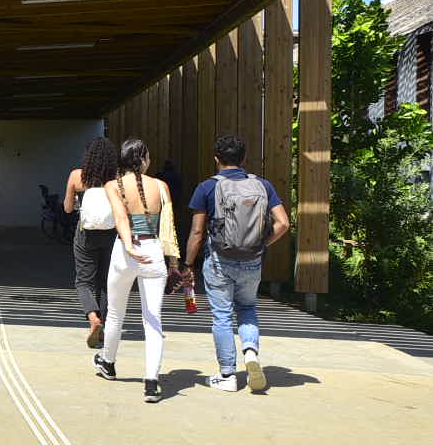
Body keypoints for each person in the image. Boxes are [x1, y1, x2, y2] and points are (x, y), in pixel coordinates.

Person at [183, 135, 291, 393]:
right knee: (247, 307)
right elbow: (284, 223)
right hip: (252, 260)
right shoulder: (263, 185)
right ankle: (250, 351)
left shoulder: (207, 187)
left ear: (217, 160)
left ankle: (228, 374)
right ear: (244, 159)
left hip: (220, 260)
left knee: (222, 316)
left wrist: (188, 265)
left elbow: (197, 233)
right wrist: (262, 244)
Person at [94, 139, 183, 403]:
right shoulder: (161, 186)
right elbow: (168, 225)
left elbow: (121, 218)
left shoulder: (113, 185)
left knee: (115, 313)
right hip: (154, 251)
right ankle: (151, 382)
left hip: (124, 250)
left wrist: (130, 246)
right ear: (143, 158)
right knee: (153, 319)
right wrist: (174, 263)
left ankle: (108, 363)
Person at [62, 137, 119, 348]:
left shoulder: (77, 176)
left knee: (84, 280)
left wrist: (78, 201)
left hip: (85, 234)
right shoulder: (117, 179)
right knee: (105, 281)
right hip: (111, 234)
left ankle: (93, 318)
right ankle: (102, 322)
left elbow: (67, 208)